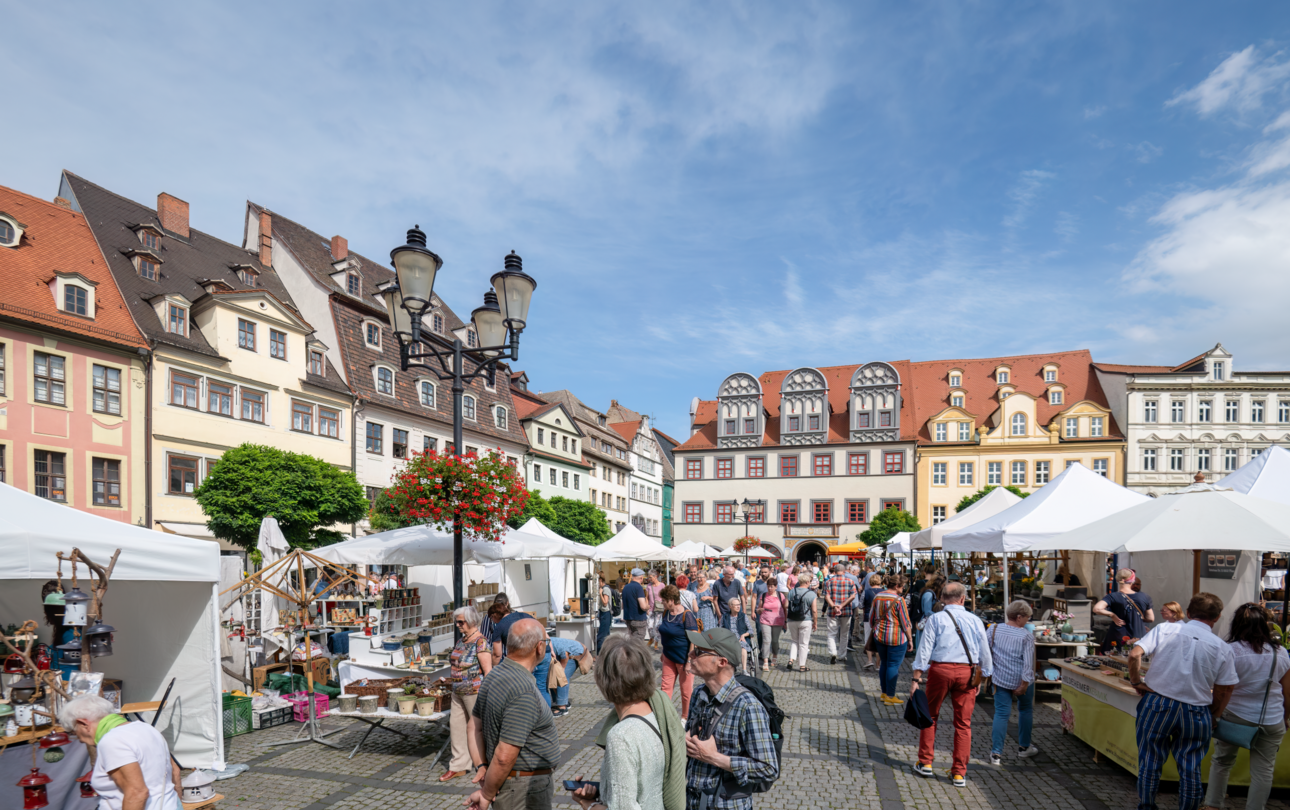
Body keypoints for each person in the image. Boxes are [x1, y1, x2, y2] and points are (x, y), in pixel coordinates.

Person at [1128, 593, 1238, 810]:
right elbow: (1225, 689)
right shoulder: (1222, 647)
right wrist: (1214, 714)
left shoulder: (1164, 629)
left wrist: (1135, 681)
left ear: (1188, 613)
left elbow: (1134, 655)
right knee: (1190, 767)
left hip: (1158, 703)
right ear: (1217, 618)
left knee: (1150, 760)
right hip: (1196, 710)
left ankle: (1147, 805)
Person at [1203, 603, 1290, 810]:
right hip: (1272, 718)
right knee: (1263, 771)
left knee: (1222, 761)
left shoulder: (1231, 650)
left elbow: (1223, 688)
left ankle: (1213, 805)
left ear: (1237, 625)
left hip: (1235, 715)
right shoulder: (1281, 652)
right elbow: (1287, 691)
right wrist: (1285, 717)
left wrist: (1215, 715)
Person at [469, 618, 561, 810]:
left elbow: (473, 727)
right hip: (522, 788)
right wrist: (486, 793)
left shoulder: (494, 674)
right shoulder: (523, 690)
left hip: (517, 784)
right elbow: (504, 756)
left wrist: (482, 766)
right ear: (539, 648)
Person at [683, 628, 780, 810]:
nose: (691, 654)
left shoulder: (748, 706)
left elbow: (768, 769)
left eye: (699, 651)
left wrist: (714, 758)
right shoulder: (699, 694)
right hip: (693, 802)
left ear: (722, 662)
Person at [910, 581, 993, 788]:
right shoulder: (975, 620)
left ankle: (926, 762)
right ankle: (959, 773)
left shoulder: (936, 619)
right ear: (963, 598)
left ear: (941, 598)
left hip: (941, 670)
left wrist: (916, 677)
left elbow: (925, 648)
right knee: (963, 724)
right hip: (967, 671)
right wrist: (985, 676)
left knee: (931, 716)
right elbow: (984, 650)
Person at [568, 637, 666, 810]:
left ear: (603, 680)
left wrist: (587, 804)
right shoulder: (656, 713)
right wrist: (603, 791)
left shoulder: (621, 736)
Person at [61, 694, 181, 810]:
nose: (80, 740)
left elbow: (137, 792)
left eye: (73, 732)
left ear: (83, 724)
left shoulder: (112, 740)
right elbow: (175, 772)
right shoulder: (147, 728)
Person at [442, 606, 494, 781]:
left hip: (474, 692)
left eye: (461, 621)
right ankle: (458, 765)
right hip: (457, 691)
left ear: (471, 621)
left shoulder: (481, 642)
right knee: (456, 728)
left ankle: (484, 764)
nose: (457, 625)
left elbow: (488, 671)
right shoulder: (461, 640)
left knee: (478, 729)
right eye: (456, 621)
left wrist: (487, 694)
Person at [987, 601, 1038, 765]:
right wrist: (1024, 683)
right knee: (1025, 710)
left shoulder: (993, 629)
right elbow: (1028, 664)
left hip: (1000, 679)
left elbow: (985, 653)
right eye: (1027, 618)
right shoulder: (1026, 636)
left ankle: (996, 753)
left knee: (1001, 714)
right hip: (1020, 679)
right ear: (1019, 617)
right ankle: (1024, 747)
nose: (1027, 621)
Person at [658, 584, 700, 720]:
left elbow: (694, 638)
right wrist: (663, 652)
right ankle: (666, 717)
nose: (662, 602)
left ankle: (685, 718)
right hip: (668, 656)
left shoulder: (687, 615)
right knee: (665, 689)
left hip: (683, 658)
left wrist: (689, 661)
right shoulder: (666, 613)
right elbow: (665, 634)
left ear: (671, 600)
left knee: (686, 692)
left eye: (664, 600)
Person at [869, 574, 913, 704]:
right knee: (893, 665)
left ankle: (884, 693)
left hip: (880, 635)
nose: (903, 589)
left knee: (884, 663)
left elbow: (872, 617)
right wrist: (910, 639)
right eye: (903, 586)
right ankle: (890, 695)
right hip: (896, 637)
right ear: (897, 586)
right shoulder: (899, 600)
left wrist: (875, 630)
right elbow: (905, 623)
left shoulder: (878, 596)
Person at [1095, 569, 1154, 653]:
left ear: (1117, 580)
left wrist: (1112, 615)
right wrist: (1136, 619)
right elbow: (1151, 618)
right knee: (1136, 661)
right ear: (1132, 580)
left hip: (1118, 636)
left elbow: (1097, 609)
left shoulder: (1113, 596)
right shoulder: (1145, 597)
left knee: (1114, 662)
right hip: (1138, 634)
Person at [822, 563, 859, 665]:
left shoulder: (828, 581)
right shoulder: (850, 581)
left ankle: (833, 652)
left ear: (834, 571)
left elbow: (826, 597)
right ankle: (842, 655)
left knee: (831, 634)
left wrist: (834, 606)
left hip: (832, 611)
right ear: (844, 571)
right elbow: (852, 596)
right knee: (844, 634)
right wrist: (842, 606)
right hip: (846, 611)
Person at [784, 572, 818, 672]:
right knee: (803, 643)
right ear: (807, 582)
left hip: (792, 619)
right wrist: (815, 622)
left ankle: (791, 660)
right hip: (805, 620)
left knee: (794, 641)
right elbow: (815, 610)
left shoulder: (791, 592)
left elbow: (786, 606)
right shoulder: (811, 594)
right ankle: (802, 666)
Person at [549, 636, 585, 717]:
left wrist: (562, 669)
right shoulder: (544, 642)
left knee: (561, 677)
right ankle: (561, 701)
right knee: (552, 676)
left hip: (574, 653)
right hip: (567, 651)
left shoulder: (548, 644)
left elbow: (564, 655)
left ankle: (562, 707)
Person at [756, 576, 786, 672]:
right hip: (765, 620)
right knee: (766, 640)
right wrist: (759, 610)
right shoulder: (764, 596)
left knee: (775, 641)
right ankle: (765, 661)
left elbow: (785, 609)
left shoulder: (781, 595)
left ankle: (775, 656)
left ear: (776, 586)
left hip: (778, 621)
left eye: (772, 586)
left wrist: (785, 621)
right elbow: (758, 609)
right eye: (768, 586)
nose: (770, 588)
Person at [721, 597, 753, 675]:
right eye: (736, 605)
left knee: (742, 648)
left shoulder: (743, 616)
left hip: (741, 639)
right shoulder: (725, 617)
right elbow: (720, 630)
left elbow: (751, 630)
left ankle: (744, 670)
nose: (738, 606)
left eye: (739, 605)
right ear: (730, 606)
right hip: (729, 640)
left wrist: (743, 635)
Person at [623, 569, 650, 643]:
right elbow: (643, 606)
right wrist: (648, 606)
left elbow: (623, 604)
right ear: (641, 577)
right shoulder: (638, 587)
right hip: (638, 619)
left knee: (631, 643)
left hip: (628, 618)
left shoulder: (626, 587)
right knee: (637, 644)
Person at [646, 571, 666, 651]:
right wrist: (647, 608)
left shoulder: (662, 585)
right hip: (651, 609)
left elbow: (665, 596)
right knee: (650, 626)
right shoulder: (649, 586)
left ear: (656, 576)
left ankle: (656, 643)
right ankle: (651, 638)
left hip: (660, 608)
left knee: (657, 626)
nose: (649, 579)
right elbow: (646, 597)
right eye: (649, 577)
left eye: (650, 577)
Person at [597, 574, 614, 653]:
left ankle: (599, 655)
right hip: (604, 614)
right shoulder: (605, 588)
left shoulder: (605, 589)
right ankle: (605, 654)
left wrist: (600, 593)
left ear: (600, 580)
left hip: (606, 614)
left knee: (601, 636)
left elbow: (605, 603)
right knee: (606, 635)